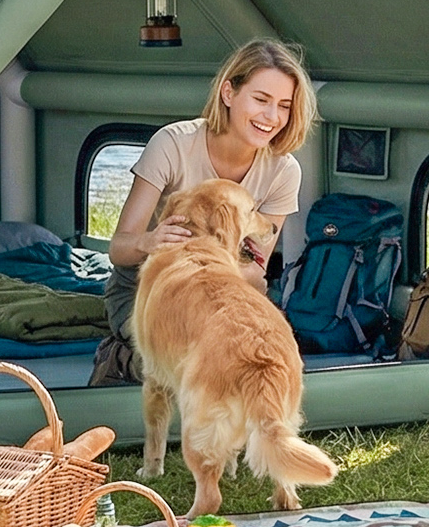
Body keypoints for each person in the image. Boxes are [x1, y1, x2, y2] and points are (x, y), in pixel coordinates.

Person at [87, 39, 313, 387]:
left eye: (284, 106)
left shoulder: (284, 172)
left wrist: (212, 277)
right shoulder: (172, 144)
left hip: (224, 292)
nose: (272, 117)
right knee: (198, 358)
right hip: (147, 290)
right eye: (261, 100)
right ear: (228, 93)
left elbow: (255, 271)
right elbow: (119, 249)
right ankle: (120, 361)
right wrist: (149, 241)